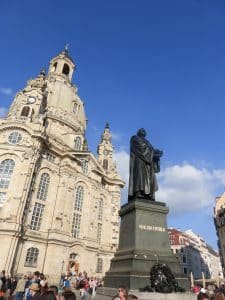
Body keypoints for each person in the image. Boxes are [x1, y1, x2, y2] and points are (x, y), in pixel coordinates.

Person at [128, 128, 162, 201]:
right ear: (138, 132)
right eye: (141, 130)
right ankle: (138, 192)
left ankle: (149, 194)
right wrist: (152, 152)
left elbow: (151, 150)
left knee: (149, 178)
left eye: (144, 130)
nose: (143, 131)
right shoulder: (134, 138)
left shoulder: (148, 142)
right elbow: (141, 148)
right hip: (139, 161)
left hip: (148, 164)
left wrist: (157, 153)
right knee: (139, 176)